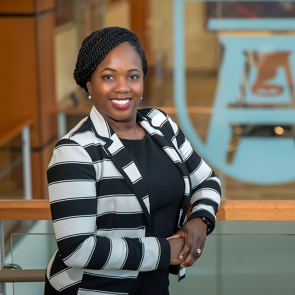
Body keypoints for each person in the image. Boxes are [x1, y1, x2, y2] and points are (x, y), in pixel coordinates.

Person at [45, 27, 221, 294]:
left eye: (133, 76)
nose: (123, 87)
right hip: (95, 289)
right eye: (108, 77)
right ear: (89, 84)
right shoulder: (74, 150)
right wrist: (163, 251)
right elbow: (77, 248)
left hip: (155, 285)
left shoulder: (160, 125)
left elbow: (207, 179)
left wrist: (200, 219)